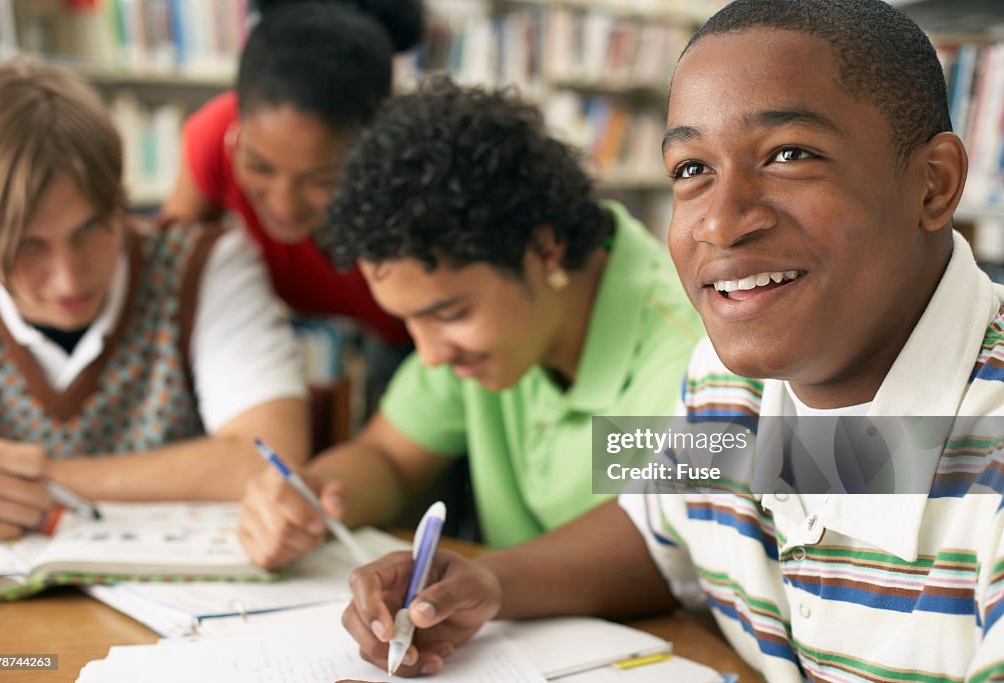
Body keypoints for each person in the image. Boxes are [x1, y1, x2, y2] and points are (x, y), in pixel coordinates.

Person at [336, 1, 1004, 680]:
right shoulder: (732, 372)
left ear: (935, 183)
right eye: (690, 168)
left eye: (789, 154)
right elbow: (669, 525)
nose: (719, 220)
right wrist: (490, 581)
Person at [236, 77, 703, 567]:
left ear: (544, 250)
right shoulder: (492, 334)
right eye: (409, 322)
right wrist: (312, 495)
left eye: (449, 315)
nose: (432, 354)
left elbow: (666, 552)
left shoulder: (696, 354)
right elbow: (390, 459)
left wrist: (489, 583)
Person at [0, 60, 309, 541]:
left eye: (90, 228)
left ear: (122, 201)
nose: (69, 279)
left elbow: (270, 459)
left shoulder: (202, 266)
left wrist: (39, 479)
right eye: (30, 245)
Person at [161, 0, 422, 348]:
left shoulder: (412, 184)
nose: (284, 204)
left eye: (321, 180)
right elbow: (168, 275)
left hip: (414, 338)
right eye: (259, 166)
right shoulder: (216, 136)